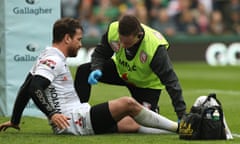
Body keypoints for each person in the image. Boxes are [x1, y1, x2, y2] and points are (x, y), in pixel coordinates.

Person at [0, 17, 178, 135]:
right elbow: (33, 88)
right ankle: (181, 128)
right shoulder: (53, 60)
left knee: (129, 124)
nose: (80, 44)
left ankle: (178, 129)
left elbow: (25, 86)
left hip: (74, 118)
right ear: (67, 38)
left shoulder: (47, 55)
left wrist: (15, 120)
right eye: (78, 39)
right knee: (128, 103)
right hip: (73, 121)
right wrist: (52, 113)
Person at [74, 14, 186, 121]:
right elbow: (100, 54)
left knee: (139, 123)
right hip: (120, 70)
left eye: (126, 43)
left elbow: (171, 82)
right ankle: (78, 114)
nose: (122, 45)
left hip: (146, 84)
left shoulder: (155, 48)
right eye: (120, 40)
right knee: (84, 71)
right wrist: (96, 68)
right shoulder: (114, 29)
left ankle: (153, 110)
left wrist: (181, 114)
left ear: (139, 36)